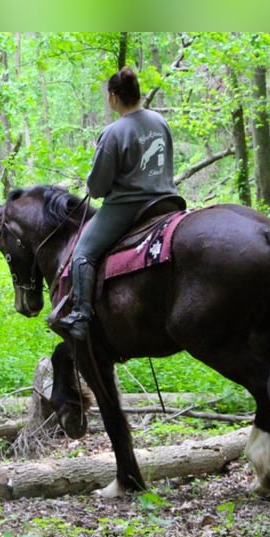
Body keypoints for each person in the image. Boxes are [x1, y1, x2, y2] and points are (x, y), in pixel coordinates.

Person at [52, 66, 179, 340]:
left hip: (129, 208)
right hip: (167, 201)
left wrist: (91, 182)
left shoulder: (113, 132)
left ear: (113, 97)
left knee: (82, 252)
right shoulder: (160, 122)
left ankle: (81, 317)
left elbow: (97, 188)